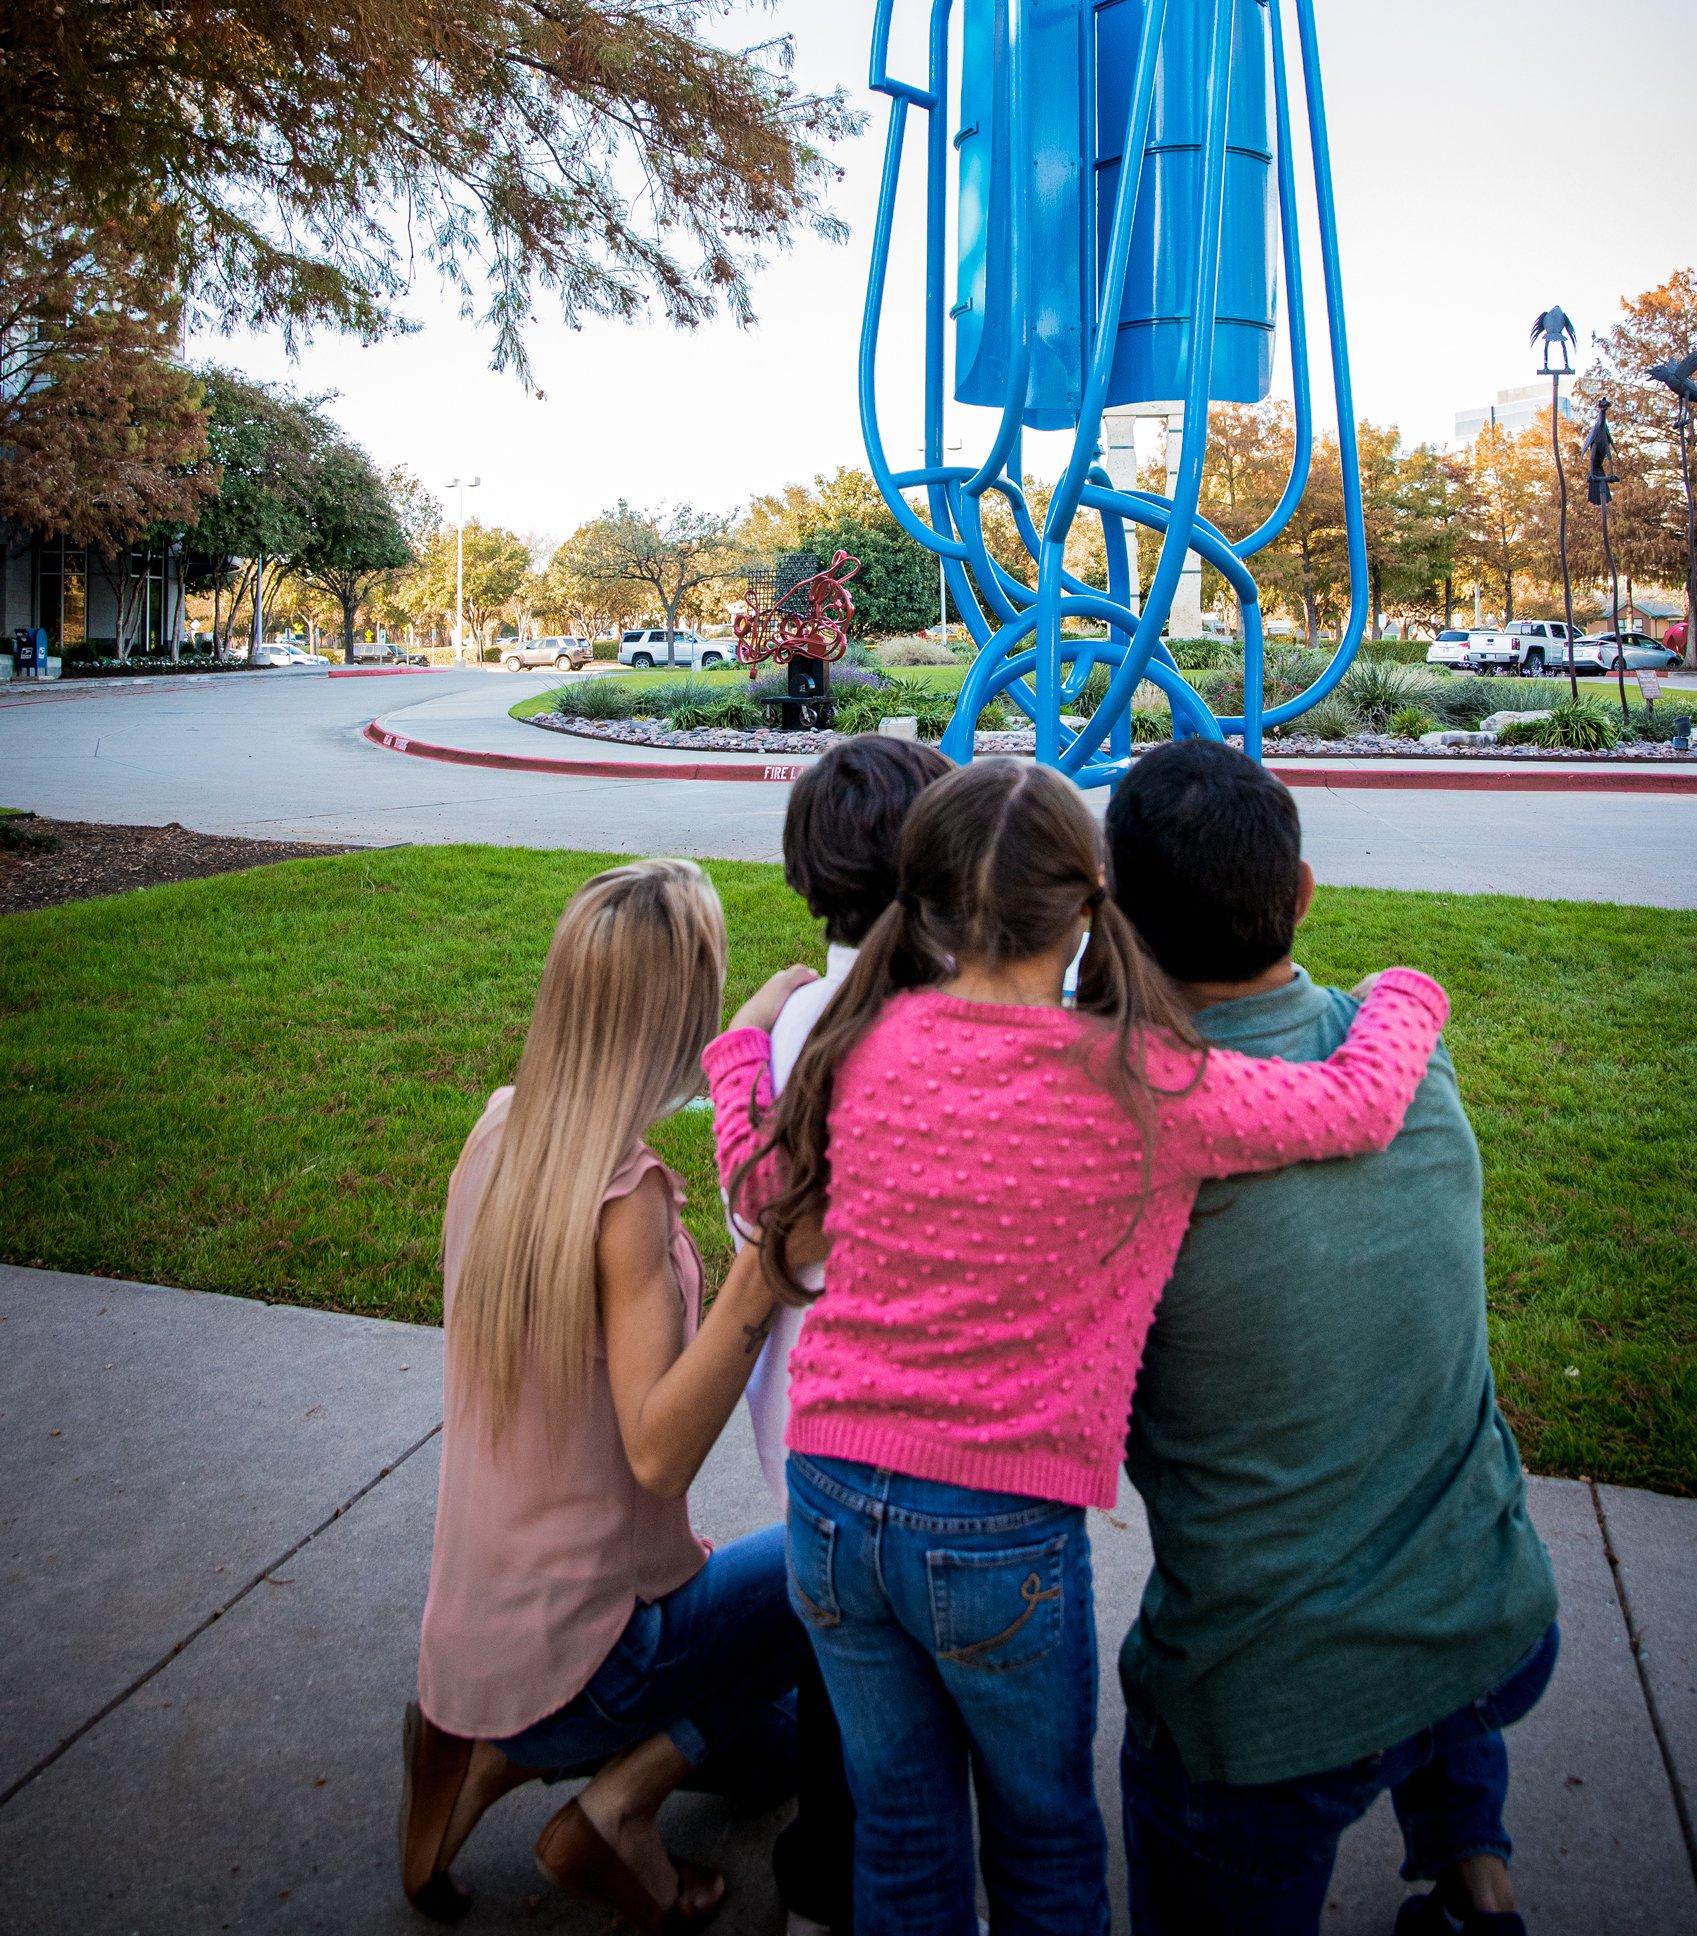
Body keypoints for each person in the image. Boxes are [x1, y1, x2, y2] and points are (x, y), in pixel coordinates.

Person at [707, 760, 1447, 1936]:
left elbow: (760, 1185)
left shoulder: (864, 1045)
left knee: (899, 1836)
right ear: (1090, 900)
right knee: (1046, 1838)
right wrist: (1409, 990)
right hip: (1001, 1527)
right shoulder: (1143, 1078)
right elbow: (1356, 1103)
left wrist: (740, 1052)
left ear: (926, 901)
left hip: (830, 1505)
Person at [1105, 741, 1559, 1936]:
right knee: (1412, 1556)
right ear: (1302, 894)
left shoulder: (1125, 1139)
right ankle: (1478, 1882)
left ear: (1118, 924)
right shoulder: (1408, 1055)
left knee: (1185, 1772)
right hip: (1498, 1621)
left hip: (1266, 1712)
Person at [401, 858, 821, 1932]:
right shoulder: (626, 1206)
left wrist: (747, 1034)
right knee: (835, 1567)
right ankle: (614, 1810)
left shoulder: (502, 1136)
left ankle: (479, 1748)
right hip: (595, 1654)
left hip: (479, 1631)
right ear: (677, 1014)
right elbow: (659, 1457)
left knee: (767, 1695)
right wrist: (767, 1268)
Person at [751, 737, 954, 1936]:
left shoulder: (791, 1026)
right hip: (928, 1442)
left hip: (812, 1446)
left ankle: (822, 1888)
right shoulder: (960, 1026)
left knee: (843, 1690)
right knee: (913, 1704)